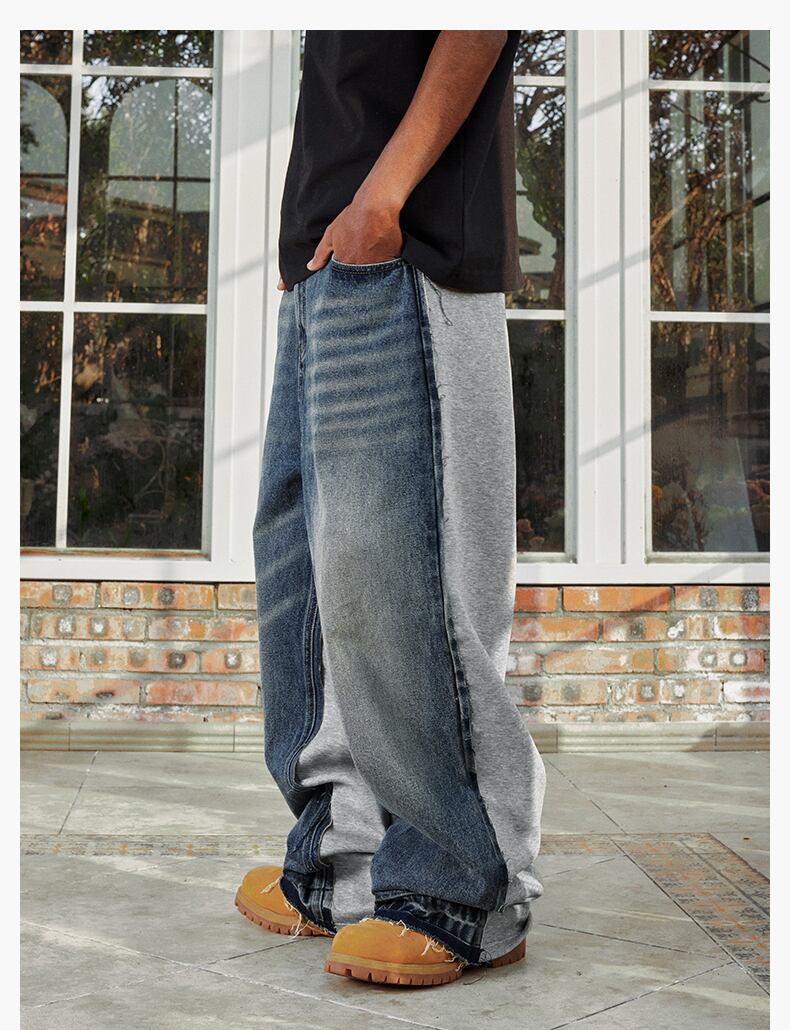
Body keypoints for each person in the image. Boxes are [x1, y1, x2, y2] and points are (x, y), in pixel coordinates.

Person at [235, 29, 546, 988]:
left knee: (403, 583)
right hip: (329, 255)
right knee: (308, 580)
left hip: (411, 243)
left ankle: (461, 885)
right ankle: (346, 863)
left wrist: (383, 198)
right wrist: (323, 231)